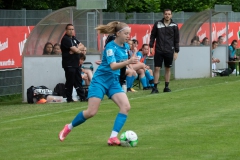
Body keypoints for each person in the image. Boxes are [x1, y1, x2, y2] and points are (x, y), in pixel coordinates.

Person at [59, 21, 139, 146]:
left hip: (113, 81)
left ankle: (113, 137)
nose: (129, 36)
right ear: (118, 34)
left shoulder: (126, 47)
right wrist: (128, 61)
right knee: (91, 112)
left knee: (126, 107)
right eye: (126, 33)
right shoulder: (110, 47)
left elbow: (117, 61)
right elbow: (113, 66)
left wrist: (129, 66)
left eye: (129, 33)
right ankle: (68, 127)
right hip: (100, 81)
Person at [149, 9, 179, 93]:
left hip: (169, 50)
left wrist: (176, 51)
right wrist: (151, 46)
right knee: (157, 68)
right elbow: (153, 36)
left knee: (167, 68)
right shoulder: (157, 24)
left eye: (169, 14)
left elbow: (177, 39)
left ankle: (166, 87)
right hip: (159, 49)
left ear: (171, 15)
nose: (167, 15)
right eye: (166, 14)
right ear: (163, 15)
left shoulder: (174, 25)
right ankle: (155, 88)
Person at [61, 23, 85, 103]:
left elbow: (83, 47)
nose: (71, 31)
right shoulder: (66, 39)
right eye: (69, 29)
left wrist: (76, 49)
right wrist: (77, 50)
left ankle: (82, 97)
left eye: (72, 29)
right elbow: (77, 50)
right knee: (70, 81)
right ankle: (69, 98)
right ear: (66, 30)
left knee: (78, 80)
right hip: (69, 64)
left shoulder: (74, 38)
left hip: (76, 63)